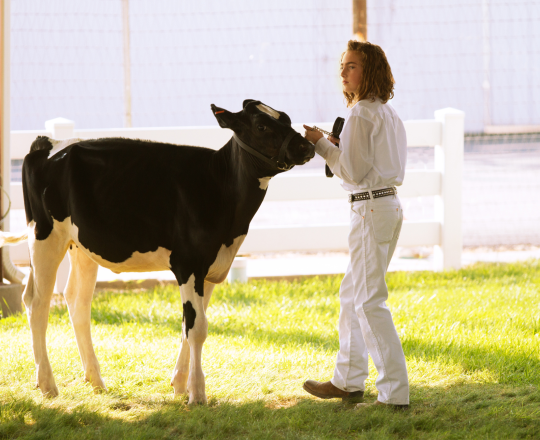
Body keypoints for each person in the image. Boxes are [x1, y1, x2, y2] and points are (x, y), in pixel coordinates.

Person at [302, 40, 409, 409]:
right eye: (343, 66)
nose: (344, 73)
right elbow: (364, 163)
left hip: (370, 210)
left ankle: (394, 393)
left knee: (367, 301)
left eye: (352, 66)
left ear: (370, 70)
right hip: (384, 207)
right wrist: (338, 146)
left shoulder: (362, 114)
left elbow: (352, 170)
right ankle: (347, 380)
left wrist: (321, 144)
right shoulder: (386, 112)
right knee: (353, 295)